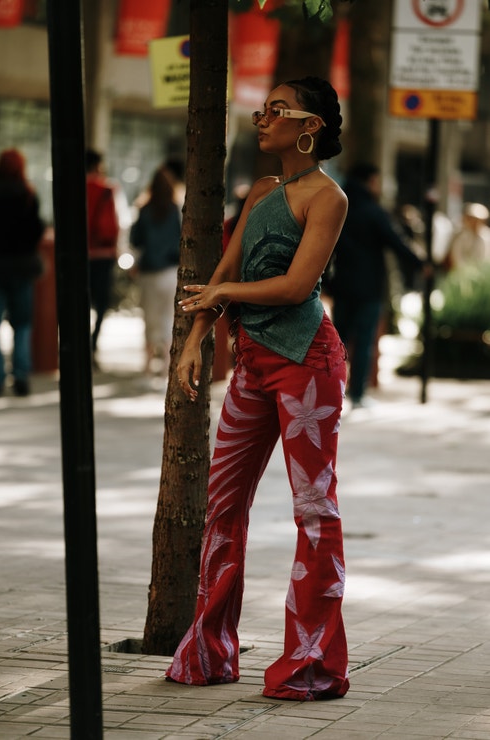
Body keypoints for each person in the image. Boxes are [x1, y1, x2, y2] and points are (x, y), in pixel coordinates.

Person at [166, 76, 350, 701]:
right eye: (261, 108)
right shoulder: (264, 191)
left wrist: (224, 296)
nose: (260, 118)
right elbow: (223, 270)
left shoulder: (328, 198)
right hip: (252, 362)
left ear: (310, 126)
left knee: (314, 511)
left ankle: (311, 663)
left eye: (275, 109)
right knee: (222, 506)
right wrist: (197, 337)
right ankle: (210, 649)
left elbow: (299, 287)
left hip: (308, 362)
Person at [326, 163, 426, 409]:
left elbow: (326, 247)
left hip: (343, 286)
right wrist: (421, 263)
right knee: (364, 342)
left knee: (338, 342)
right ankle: (358, 394)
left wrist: (327, 282)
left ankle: (330, 392)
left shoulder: (339, 207)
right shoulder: (374, 211)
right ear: (370, 181)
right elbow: (395, 241)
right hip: (369, 287)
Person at [0, 148, 45, 396]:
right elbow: (36, 231)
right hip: (22, 268)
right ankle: (21, 376)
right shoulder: (28, 195)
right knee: (22, 324)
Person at [130, 165, 181, 377]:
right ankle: (167, 364)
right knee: (168, 317)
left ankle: (148, 365)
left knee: (149, 318)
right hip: (170, 270)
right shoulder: (176, 210)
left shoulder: (144, 210)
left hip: (149, 271)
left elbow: (135, 240)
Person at [85, 148, 120, 364]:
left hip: (79, 256)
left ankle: (77, 343)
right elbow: (116, 222)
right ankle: (92, 343)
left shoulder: (72, 188)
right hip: (104, 254)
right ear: (98, 165)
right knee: (101, 302)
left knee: (79, 300)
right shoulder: (107, 188)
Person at [444, 202, 490, 271]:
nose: (475, 223)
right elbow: (456, 256)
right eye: (473, 219)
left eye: (478, 220)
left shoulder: (487, 236)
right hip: (461, 272)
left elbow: (486, 257)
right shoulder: (460, 234)